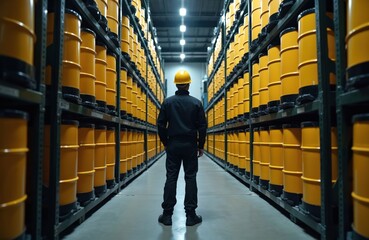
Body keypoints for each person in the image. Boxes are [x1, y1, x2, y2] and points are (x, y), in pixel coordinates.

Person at [157, 70, 207, 226]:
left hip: (173, 144)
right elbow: (202, 126)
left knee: (171, 177)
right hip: (190, 145)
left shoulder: (168, 102)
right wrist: (200, 145)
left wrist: (165, 142)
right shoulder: (196, 103)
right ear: (189, 83)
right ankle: (191, 216)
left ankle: (167, 216)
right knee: (190, 178)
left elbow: (160, 125)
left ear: (176, 84)